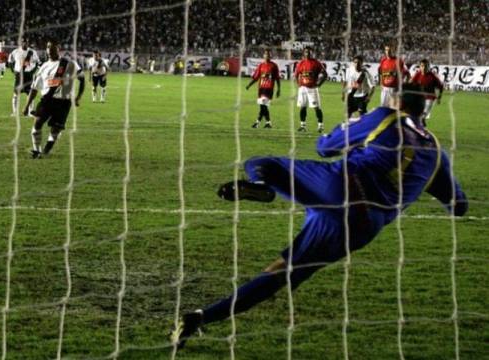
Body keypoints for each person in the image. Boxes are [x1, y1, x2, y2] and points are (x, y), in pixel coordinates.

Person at [170, 83, 467, 349]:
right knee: (281, 273)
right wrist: (419, 180)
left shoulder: (385, 117)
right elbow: (458, 206)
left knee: (263, 164)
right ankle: (199, 318)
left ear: (398, 102)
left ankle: (263, 186)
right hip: (363, 224)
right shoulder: (438, 153)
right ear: (423, 108)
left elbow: (324, 147)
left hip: (341, 185)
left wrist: (348, 130)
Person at [22, 40, 85, 159]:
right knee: (37, 124)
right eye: (48, 47)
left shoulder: (70, 64)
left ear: (58, 48)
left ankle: (46, 149)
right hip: (47, 100)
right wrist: (26, 106)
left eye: (52, 47)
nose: (49, 50)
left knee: (55, 129)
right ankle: (36, 150)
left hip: (64, 102)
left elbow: (82, 79)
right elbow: (34, 88)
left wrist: (78, 97)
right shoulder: (43, 67)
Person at [295, 46, 327, 132]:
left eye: (309, 52)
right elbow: (296, 75)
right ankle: (303, 126)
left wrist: (319, 84)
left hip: (312, 89)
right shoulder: (300, 63)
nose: (307, 53)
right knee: (302, 107)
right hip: (303, 89)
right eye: (306, 52)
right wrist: (299, 85)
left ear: (312, 53)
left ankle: (320, 126)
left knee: (316, 107)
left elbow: (325, 74)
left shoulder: (316, 63)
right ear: (303, 53)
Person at [246, 49, 280, 129]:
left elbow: (277, 78)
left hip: (269, 89)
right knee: (263, 106)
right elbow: (256, 77)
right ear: (263, 56)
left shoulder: (274, 66)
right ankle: (268, 123)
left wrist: (279, 89)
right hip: (261, 88)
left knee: (263, 106)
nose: (267, 56)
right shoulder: (261, 65)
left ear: (270, 56)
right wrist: (249, 85)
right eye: (265, 54)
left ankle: (257, 123)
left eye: (268, 54)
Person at [9, 39, 40, 116]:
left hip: (28, 75)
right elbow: (10, 61)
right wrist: (13, 70)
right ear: (21, 43)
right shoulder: (15, 52)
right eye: (23, 42)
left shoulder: (32, 52)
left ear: (28, 43)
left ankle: (30, 112)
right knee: (15, 94)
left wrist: (32, 72)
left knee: (30, 94)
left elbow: (37, 63)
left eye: (26, 42)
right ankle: (15, 112)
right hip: (19, 75)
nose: (25, 44)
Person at [411, 59, 444, 124]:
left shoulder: (432, 75)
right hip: (419, 98)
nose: (424, 68)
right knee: (417, 115)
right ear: (420, 67)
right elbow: (411, 83)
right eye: (422, 66)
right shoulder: (417, 74)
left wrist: (439, 97)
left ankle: (422, 122)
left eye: (426, 66)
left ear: (428, 67)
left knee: (423, 115)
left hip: (430, 98)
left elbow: (441, 86)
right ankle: (421, 125)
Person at [342, 55, 374, 119]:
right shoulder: (349, 70)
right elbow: (344, 81)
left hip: (362, 97)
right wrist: (343, 93)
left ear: (362, 63)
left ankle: (366, 125)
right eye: (355, 62)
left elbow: (373, 87)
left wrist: (369, 97)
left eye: (358, 62)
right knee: (348, 115)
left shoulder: (365, 73)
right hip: (351, 96)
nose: (356, 64)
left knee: (362, 115)